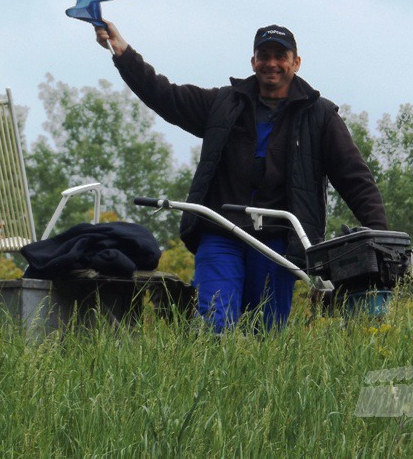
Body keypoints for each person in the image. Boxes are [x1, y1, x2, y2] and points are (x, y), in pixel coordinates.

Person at [96, 22, 388, 331]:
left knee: (266, 330)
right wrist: (122, 51)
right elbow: (165, 95)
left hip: (279, 239)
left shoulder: (320, 117)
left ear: (296, 62)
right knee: (215, 322)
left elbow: (354, 178)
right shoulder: (224, 104)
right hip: (220, 231)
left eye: (280, 55)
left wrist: (381, 239)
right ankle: (207, 374)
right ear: (253, 62)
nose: (271, 63)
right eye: (263, 55)